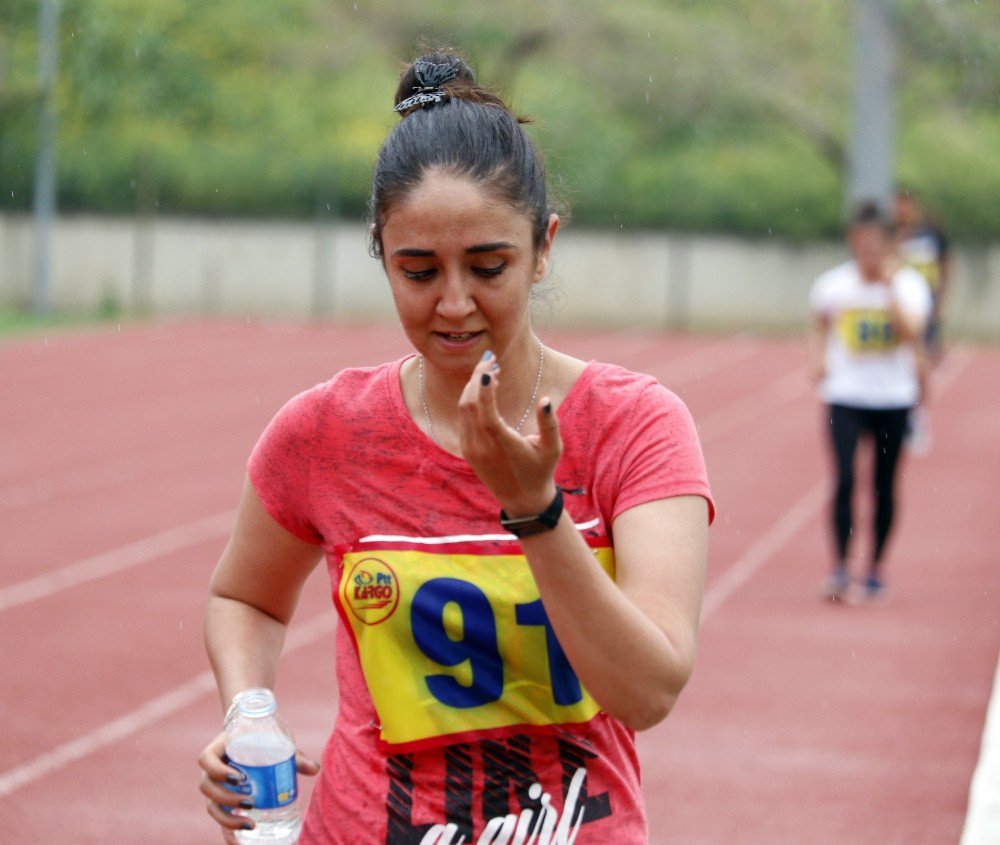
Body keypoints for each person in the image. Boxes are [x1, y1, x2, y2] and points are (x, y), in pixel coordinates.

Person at [197, 48, 713, 844]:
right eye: (417, 270)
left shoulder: (636, 426)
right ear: (382, 256)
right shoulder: (324, 430)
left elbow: (647, 690)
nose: (453, 303)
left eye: (488, 265)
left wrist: (536, 511)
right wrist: (249, 711)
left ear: (545, 247)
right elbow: (246, 597)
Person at [808, 200, 931, 604]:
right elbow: (820, 323)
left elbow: (914, 333)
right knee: (843, 479)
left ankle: (875, 568)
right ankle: (841, 567)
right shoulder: (833, 284)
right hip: (845, 396)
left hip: (893, 398)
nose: (869, 254)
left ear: (889, 245)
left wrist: (889, 289)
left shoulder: (910, 286)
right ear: (852, 241)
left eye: (877, 246)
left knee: (884, 484)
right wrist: (818, 357)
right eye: (862, 245)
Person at [893, 187, 953, 455]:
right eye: (898, 205)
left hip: (924, 307)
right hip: (898, 309)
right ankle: (900, 417)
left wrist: (942, 300)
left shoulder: (932, 233)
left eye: (906, 205)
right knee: (901, 365)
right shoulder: (890, 234)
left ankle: (917, 419)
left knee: (922, 363)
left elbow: (946, 265)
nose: (903, 210)